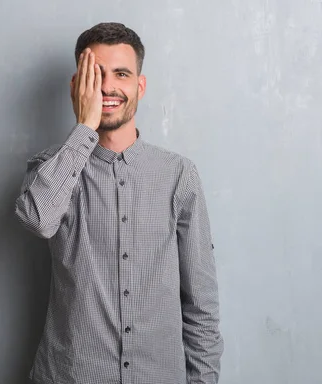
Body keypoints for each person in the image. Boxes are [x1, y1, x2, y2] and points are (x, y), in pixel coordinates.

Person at [15, 22, 223, 384]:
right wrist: (85, 128)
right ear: (78, 88)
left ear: (139, 86)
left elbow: (201, 306)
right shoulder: (50, 167)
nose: (108, 87)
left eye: (121, 74)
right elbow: (37, 220)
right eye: (96, 76)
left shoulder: (179, 175)